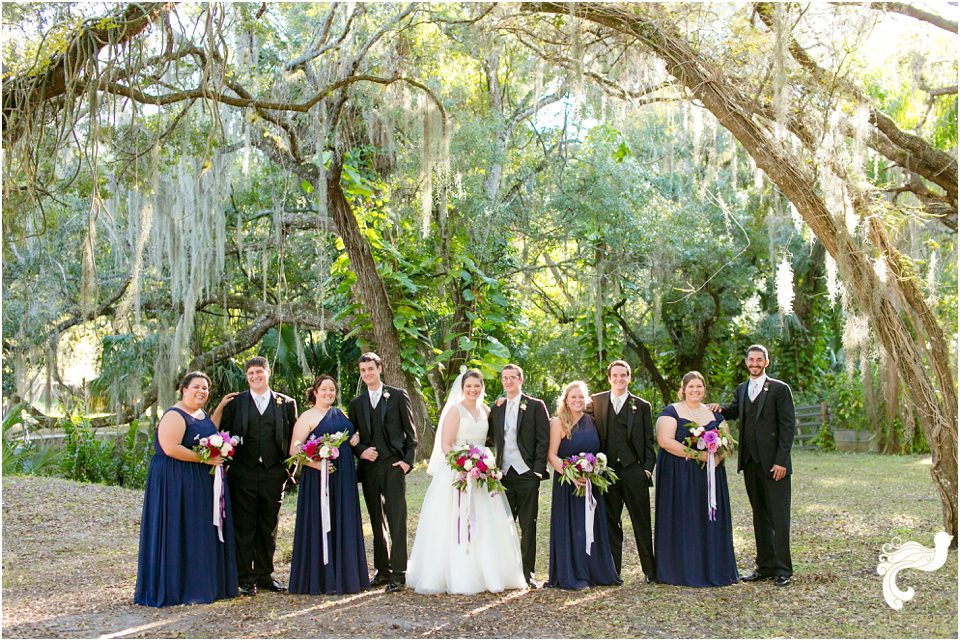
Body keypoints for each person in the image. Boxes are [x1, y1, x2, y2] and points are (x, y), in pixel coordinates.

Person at [407, 369, 526, 594]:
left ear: (482, 387)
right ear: (462, 388)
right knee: (455, 520)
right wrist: (463, 464)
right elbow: (446, 444)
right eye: (469, 386)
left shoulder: (487, 410)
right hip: (458, 471)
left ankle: (489, 572)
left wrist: (480, 464)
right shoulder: (455, 410)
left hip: (482, 471)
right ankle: (456, 573)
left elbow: (491, 438)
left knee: (486, 520)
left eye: (477, 386)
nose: (473, 390)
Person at [135, 371, 239, 606]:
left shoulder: (200, 413)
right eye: (196, 387)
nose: (201, 391)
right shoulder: (175, 414)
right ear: (184, 390)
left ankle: (199, 583)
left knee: (197, 530)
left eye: (205, 388)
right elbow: (170, 448)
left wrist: (220, 408)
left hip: (199, 481)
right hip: (176, 481)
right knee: (179, 528)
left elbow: (206, 430)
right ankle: (178, 587)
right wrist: (206, 460)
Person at [709, 344, 796, 587]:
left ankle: (783, 570)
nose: (755, 363)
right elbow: (737, 412)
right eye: (751, 359)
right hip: (750, 463)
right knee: (760, 516)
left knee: (779, 517)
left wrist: (781, 461)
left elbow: (788, 428)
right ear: (746, 362)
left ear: (766, 363)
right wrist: (721, 410)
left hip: (774, 464)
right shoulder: (742, 388)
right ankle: (765, 566)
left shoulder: (780, 389)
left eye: (759, 360)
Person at [218, 356, 298, 596]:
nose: (255, 377)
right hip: (242, 472)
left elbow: (295, 438)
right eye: (250, 373)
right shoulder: (236, 403)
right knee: (244, 526)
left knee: (269, 525)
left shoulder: (286, 403)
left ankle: (265, 574)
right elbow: (224, 434)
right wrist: (230, 467)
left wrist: (288, 471)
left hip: (274, 473)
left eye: (259, 372)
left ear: (268, 372)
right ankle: (245, 577)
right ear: (247, 376)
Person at [654, 371, 738, 587]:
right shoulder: (671, 411)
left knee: (707, 517)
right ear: (683, 389)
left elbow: (727, 442)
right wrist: (698, 455)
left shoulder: (715, 415)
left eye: (699, 386)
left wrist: (717, 457)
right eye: (691, 386)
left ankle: (712, 566)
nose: (695, 390)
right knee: (684, 517)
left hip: (709, 476)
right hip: (678, 476)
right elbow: (665, 441)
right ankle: (681, 569)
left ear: (704, 389)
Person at [288, 376, 369, 595]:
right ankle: (319, 578)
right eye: (324, 389)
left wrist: (357, 436)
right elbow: (294, 451)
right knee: (320, 521)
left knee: (343, 518)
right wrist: (315, 465)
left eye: (332, 390)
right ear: (315, 391)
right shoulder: (307, 417)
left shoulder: (340, 413)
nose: (328, 393)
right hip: (318, 478)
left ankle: (346, 576)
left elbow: (352, 437)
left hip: (344, 477)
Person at [347, 352, 417, 594]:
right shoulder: (356, 404)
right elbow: (351, 438)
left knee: (397, 518)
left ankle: (399, 572)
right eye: (363, 370)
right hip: (369, 470)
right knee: (376, 520)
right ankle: (382, 569)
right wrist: (361, 450)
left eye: (371, 369)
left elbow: (411, 433)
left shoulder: (397, 396)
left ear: (379, 369)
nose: (367, 373)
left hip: (394, 466)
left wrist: (407, 462)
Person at [546, 381, 621, 590]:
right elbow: (552, 455)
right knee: (572, 526)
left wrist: (593, 471)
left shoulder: (593, 421)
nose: (577, 401)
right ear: (566, 400)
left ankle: (594, 571)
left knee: (592, 525)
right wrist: (570, 474)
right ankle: (573, 574)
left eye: (581, 397)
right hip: (567, 484)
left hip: (591, 483)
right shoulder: (558, 422)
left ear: (586, 399)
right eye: (573, 397)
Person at [590, 360, 657, 582]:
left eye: (623, 375)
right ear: (609, 378)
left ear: (629, 378)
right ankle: (613, 571)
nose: (619, 379)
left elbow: (649, 442)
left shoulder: (642, 406)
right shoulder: (596, 402)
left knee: (642, 522)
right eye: (615, 375)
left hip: (633, 471)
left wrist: (647, 469)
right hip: (606, 473)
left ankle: (650, 571)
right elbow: (574, 414)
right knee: (610, 523)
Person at [486, 364, 550, 588]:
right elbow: (489, 438)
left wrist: (537, 471)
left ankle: (527, 572)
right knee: (503, 525)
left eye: (513, 378)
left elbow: (544, 440)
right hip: (503, 474)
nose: (508, 382)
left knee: (528, 525)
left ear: (521, 380)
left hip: (527, 474)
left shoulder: (535, 406)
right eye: (505, 378)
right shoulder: (497, 408)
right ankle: (505, 572)